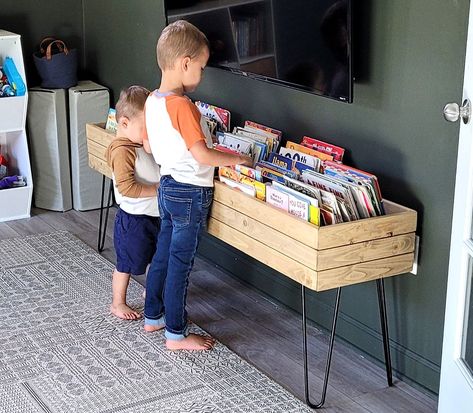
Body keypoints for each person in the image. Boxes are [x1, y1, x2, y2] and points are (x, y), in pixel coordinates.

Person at [143, 20, 252, 351]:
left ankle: (153, 316)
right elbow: (202, 154)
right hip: (190, 192)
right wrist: (237, 160)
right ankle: (176, 334)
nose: (202, 75)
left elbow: (148, 146)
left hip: (167, 186)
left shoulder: (151, 100)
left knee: (162, 253)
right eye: (201, 68)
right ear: (185, 63)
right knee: (181, 263)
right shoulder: (182, 106)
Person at [106, 85, 161, 320]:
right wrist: (157, 190)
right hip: (134, 219)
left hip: (153, 216)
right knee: (127, 262)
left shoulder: (138, 143)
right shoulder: (122, 150)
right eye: (145, 128)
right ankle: (118, 302)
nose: (149, 133)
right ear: (125, 123)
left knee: (155, 257)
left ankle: (154, 293)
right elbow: (126, 187)